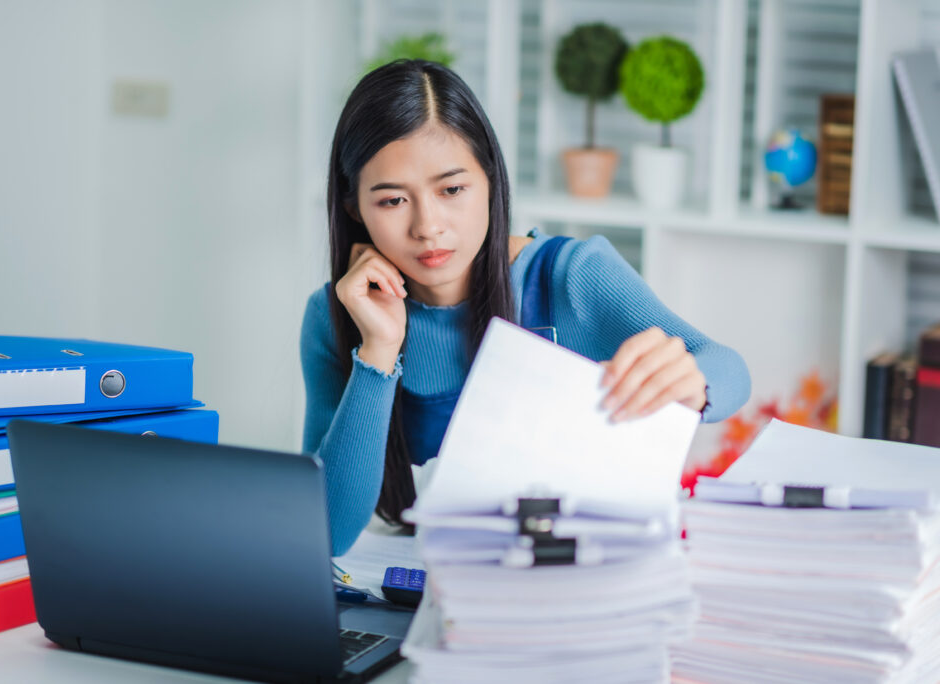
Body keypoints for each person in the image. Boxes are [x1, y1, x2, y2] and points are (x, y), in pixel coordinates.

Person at [301, 60, 751, 556]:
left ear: (490, 181)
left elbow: (728, 368)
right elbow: (327, 534)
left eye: (452, 190)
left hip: (572, 581)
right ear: (354, 209)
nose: (428, 226)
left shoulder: (570, 275)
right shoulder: (336, 317)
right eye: (391, 201)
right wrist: (379, 350)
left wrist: (693, 381)